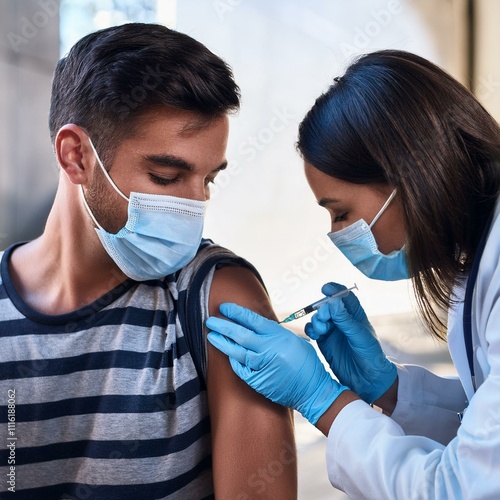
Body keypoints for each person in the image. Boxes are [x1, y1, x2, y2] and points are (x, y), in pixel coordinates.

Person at [0, 23, 297, 499]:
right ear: (76, 156)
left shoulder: (215, 295)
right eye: (166, 177)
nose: (193, 209)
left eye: (208, 181)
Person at [207, 49, 500, 499]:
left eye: (341, 213)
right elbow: (484, 427)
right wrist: (389, 390)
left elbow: (458, 489)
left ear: (407, 174)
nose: (337, 234)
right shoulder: (482, 254)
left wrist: (322, 400)